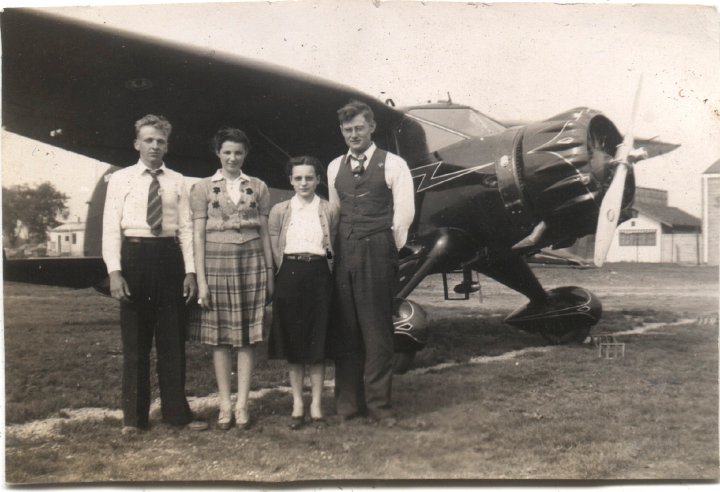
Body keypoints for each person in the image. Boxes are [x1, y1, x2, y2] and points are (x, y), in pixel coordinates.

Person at [102, 114, 207, 434]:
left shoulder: (178, 180)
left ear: (167, 146)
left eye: (160, 141)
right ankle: (134, 419)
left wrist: (190, 272)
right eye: (148, 140)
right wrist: (115, 272)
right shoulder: (120, 179)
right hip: (133, 257)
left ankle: (177, 415)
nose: (154, 146)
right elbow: (109, 230)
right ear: (137, 144)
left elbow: (187, 229)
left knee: (172, 342)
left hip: (169, 259)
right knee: (136, 344)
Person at [327, 100, 415, 425]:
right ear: (342, 131)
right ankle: (349, 404)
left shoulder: (393, 164)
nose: (354, 134)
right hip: (344, 251)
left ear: (371, 127)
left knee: (376, 331)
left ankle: (380, 406)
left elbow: (404, 215)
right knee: (346, 329)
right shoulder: (334, 166)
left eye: (359, 128)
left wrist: (385, 249)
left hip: (377, 250)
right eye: (348, 130)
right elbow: (336, 212)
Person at [189, 127, 274, 431]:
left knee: (247, 336)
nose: (232, 158)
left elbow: (264, 233)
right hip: (216, 261)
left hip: (250, 260)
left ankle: (242, 405)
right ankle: (224, 404)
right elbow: (198, 235)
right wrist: (201, 280)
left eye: (238, 152)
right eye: (227, 152)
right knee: (221, 338)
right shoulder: (202, 188)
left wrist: (269, 272)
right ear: (218, 153)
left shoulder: (259, 186)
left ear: (245, 154)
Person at [267, 156, 339, 430]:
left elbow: (332, 245)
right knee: (294, 345)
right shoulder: (281, 210)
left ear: (318, 180)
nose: (304, 183)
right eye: (298, 178)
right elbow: (275, 245)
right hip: (290, 275)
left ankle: (317, 404)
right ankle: (298, 403)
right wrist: (281, 272)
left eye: (309, 177)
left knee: (318, 344)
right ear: (291, 181)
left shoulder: (329, 210)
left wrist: (328, 266)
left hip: (320, 275)